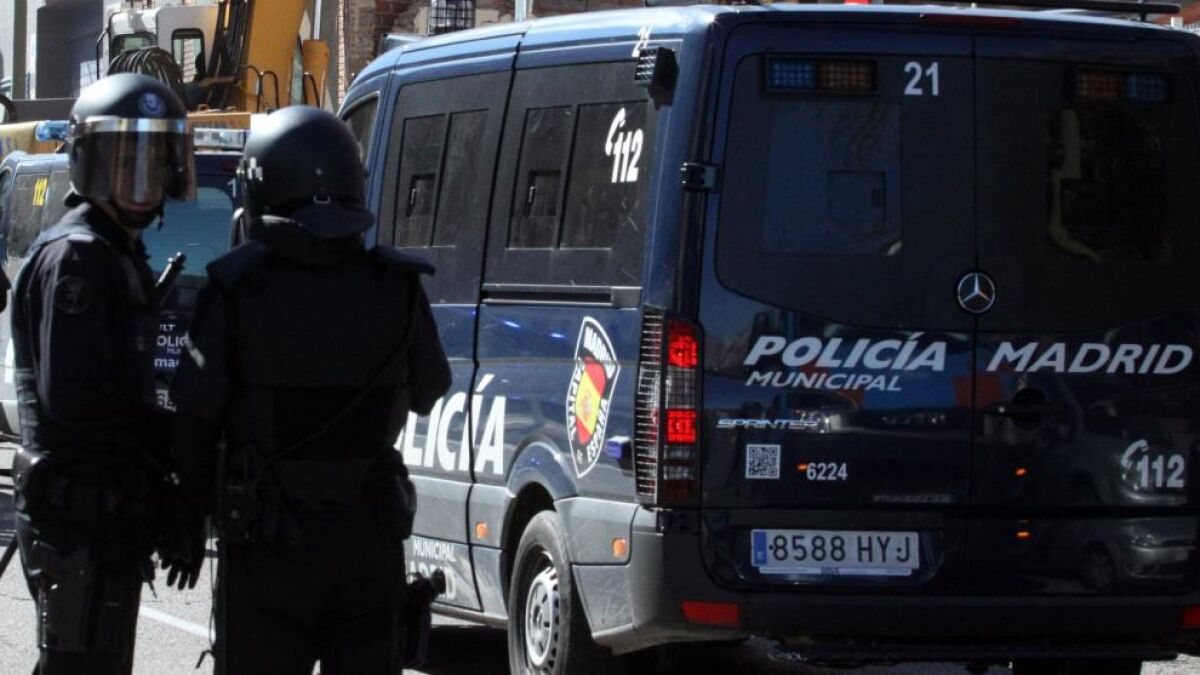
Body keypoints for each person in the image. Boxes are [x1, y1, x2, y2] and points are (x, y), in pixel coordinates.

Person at [170, 106, 451, 674]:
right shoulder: (396, 287)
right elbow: (429, 389)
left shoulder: (238, 288)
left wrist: (187, 515)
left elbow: (194, 422)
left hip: (269, 545)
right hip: (368, 542)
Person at [10, 73, 198, 675]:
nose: (142, 182)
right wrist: (163, 462)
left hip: (105, 518)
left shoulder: (116, 251)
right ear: (90, 163)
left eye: (154, 163)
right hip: (78, 520)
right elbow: (78, 402)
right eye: (125, 165)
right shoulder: (79, 257)